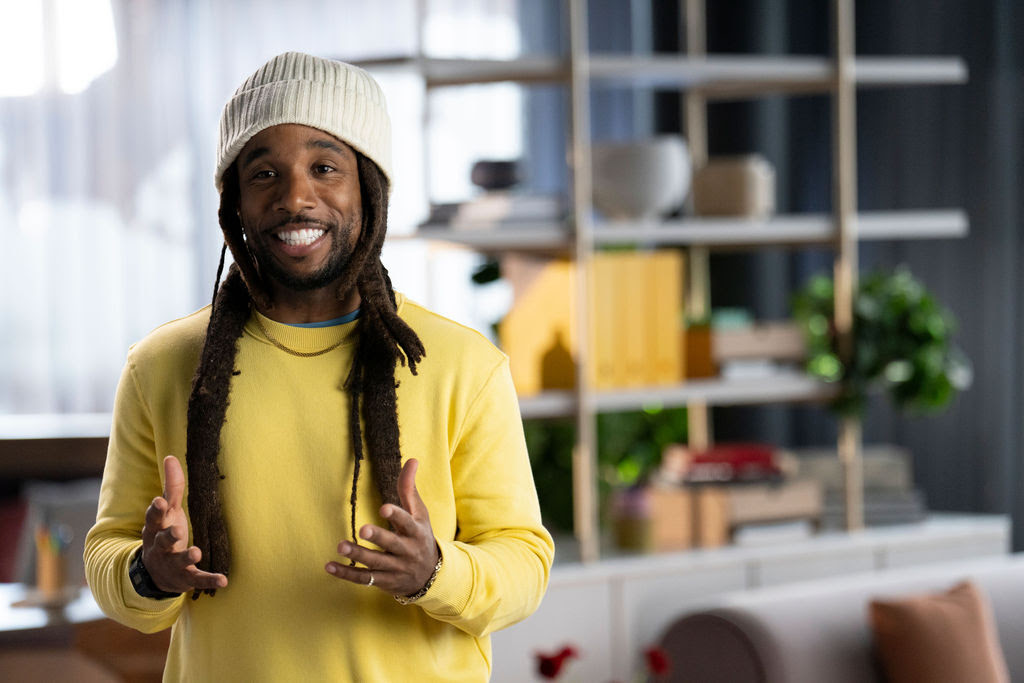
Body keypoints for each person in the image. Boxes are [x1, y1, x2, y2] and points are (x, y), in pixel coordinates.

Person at [85, 51, 554, 682]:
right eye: (264, 174)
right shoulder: (161, 367)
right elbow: (107, 553)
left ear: (370, 186)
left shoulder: (461, 364)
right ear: (234, 204)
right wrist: (149, 571)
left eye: (325, 167)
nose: (295, 197)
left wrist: (435, 573)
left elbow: (524, 564)